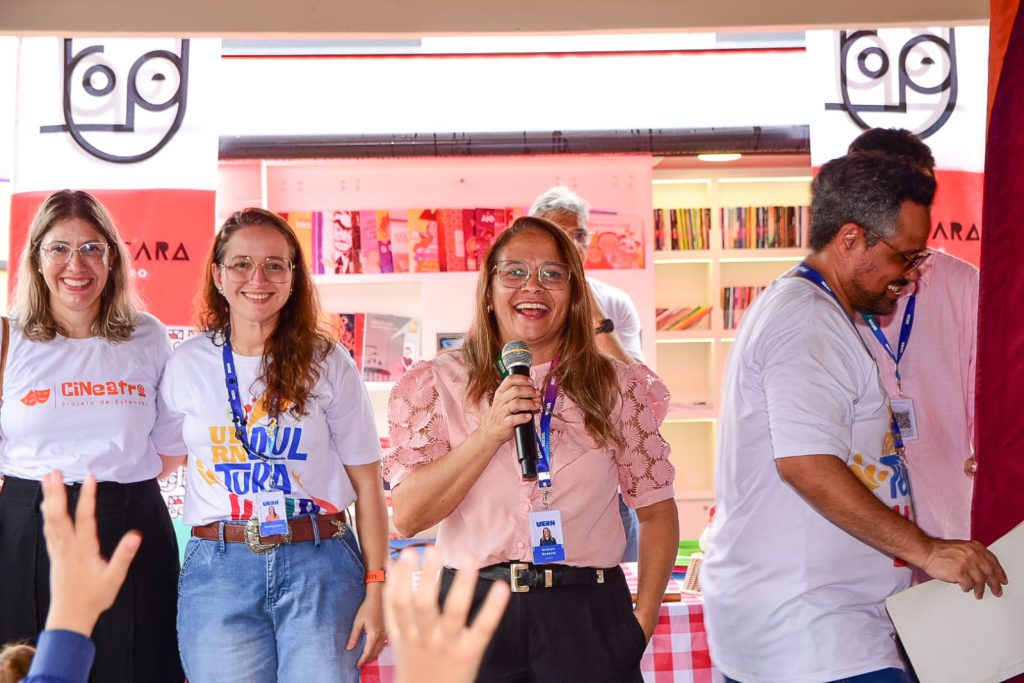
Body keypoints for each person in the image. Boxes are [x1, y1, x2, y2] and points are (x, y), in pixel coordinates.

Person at [702, 152, 1007, 683]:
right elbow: (806, 465)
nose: (911, 275)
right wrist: (927, 550)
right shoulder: (806, 322)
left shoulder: (817, 312)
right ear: (850, 240)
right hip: (810, 632)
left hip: (823, 626)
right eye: (905, 257)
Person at [384, 215, 679, 682]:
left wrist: (639, 623)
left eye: (552, 274)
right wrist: (489, 433)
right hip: (471, 614)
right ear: (489, 290)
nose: (533, 287)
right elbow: (408, 516)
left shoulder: (617, 387)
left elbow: (657, 511)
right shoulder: (438, 383)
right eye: (515, 271)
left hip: (586, 616)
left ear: (574, 293)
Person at [160, 208, 389, 682]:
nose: (258, 278)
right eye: (242, 264)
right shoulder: (186, 363)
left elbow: (368, 485)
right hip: (219, 570)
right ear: (218, 276)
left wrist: (376, 586)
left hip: (320, 564)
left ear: (293, 277)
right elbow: (158, 459)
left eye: (274, 265)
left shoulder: (328, 362)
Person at [0, 190, 185, 683]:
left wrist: (111, 489)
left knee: (140, 667)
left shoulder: (148, 335)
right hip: (27, 527)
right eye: (59, 248)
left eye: (91, 248)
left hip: (131, 521)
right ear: (37, 258)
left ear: (112, 259)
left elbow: (169, 447)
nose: (75, 264)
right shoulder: (7, 337)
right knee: (29, 665)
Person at [849, 128, 980, 546]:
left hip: (951, 525)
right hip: (857, 531)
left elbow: (989, 395)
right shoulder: (823, 296)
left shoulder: (965, 286)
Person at [530, 186, 645, 562]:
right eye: (558, 234)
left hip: (606, 485)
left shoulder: (614, 303)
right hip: (536, 486)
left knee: (616, 587)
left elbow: (639, 391)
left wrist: (591, 309)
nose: (571, 244)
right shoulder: (520, 305)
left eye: (578, 234)